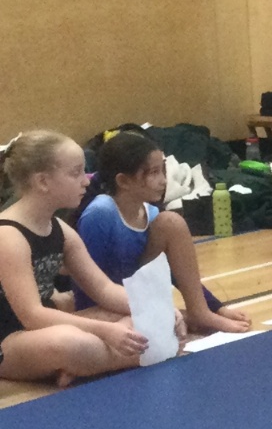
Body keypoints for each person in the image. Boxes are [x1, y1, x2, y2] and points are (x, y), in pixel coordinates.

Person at [0, 131, 150, 385]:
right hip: (9, 340)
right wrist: (107, 331)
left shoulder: (60, 229)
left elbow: (104, 289)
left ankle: (81, 365)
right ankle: (126, 356)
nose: (86, 181)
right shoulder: (8, 236)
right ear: (43, 181)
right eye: (76, 173)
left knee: (134, 318)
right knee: (71, 342)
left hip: (42, 331)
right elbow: (32, 315)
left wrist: (154, 308)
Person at [73, 132, 251, 335]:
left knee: (172, 222)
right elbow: (88, 285)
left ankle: (198, 313)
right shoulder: (100, 213)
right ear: (123, 181)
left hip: (138, 301)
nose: (164, 181)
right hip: (104, 306)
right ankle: (178, 317)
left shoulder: (151, 214)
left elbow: (177, 271)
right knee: (165, 323)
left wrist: (216, 308)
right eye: (154, 173)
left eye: (162, 171)